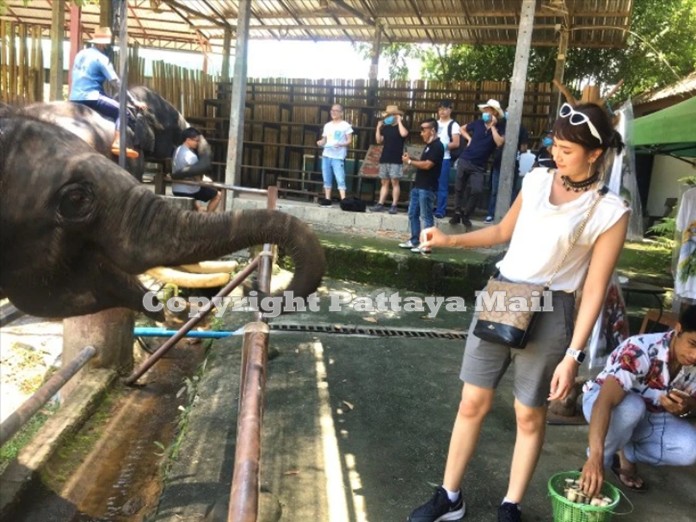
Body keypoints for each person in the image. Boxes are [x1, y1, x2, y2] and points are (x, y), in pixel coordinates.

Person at [407, 103, 630, 522]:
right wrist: (448, 239)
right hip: (504, 293)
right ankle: (450, 496)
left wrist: (573, 355)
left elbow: (595, 289)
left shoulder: (608, 211)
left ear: (595, 153)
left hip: (552, 308)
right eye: (555, 144)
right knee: (472, 400)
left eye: (566, 148)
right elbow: (501, 233)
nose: (556, 153)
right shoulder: (537, 179)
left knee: (528, 413)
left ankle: (511, 504)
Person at [579, 305, 696, 497]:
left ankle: (627, 454)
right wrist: (595, 459)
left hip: (653, 416)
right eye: (693, 344)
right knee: (632, 406)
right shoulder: (640, 350)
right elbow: (605, 402)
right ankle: (600, 463)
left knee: (690, 448)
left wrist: (686, 408)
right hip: (603, 402)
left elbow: (693, 409)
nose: (695, 356)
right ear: (678, 329)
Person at [69, 26, 145, 159]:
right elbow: (116, 82)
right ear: (104, 44)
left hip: (74, 96)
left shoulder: (81, 54)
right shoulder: (102, 59)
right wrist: (133, 101)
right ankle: (117, 142)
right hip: (91, 97)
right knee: (123, 112)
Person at [450, 99, 505, 231]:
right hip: (465, 158)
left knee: (477, 190)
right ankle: (457, 213)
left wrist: (492, 127)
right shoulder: (478, 123)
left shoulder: (500, 127)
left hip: (479, 165)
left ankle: (466, 214)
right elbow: (461, 129)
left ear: (495, 113)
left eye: (488, 110)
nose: (485, 113)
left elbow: (499, 142)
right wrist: (469, 139)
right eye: (485, 110)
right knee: (459, 188)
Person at [398, 118, 444, 255]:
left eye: (424, 130)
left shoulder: (437, 146)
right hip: (418, 186)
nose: (421, 133)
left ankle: (427, 244)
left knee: (426, 216)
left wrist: (410, 161)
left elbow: (428, 165)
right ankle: (414, 240)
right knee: (413, 214)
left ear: (433, 130)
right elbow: (423, 162)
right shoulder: (429, 146)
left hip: (427, 187)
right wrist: (411, 159)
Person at [485, 112, 528, 223]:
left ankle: (509, 217)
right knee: (494, 189)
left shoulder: (522, 128)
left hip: (513, 162)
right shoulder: (501, 125)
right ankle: (491, 214)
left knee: (511, 191)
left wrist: (515, 145)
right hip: (498, 162)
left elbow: (524, 148)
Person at [171, 127, 221, 213]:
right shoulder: (191, 156)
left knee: (198, 206)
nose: (197, 143)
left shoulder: (177, 150)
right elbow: (197, 177)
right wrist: (207, 182)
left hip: (175, 188)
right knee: (217, 195)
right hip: (187, 190)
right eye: (195, 140)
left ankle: (199, 211)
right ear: (188, 140)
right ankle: (207, 217)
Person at [371, 105, 409, 214]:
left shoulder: (401, 127)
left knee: (395, 182)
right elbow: (379, 140)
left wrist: (399, 121)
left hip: (396, 158)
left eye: (392, 115)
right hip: (385, 157)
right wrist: (378, 128)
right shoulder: (386, 128)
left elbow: (404, 134)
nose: (389, 117)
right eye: (388, 115)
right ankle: (380, 203)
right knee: (384, 182)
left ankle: (394, 205)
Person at [316, 103, 353, 206]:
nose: (333, 112)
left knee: (340, 177)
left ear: (341, 113)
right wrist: (321, 142)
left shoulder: (345, 125)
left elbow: (349, 140)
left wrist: (341, 144)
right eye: (332, 110)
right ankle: (327, 198)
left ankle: (344, 199)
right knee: (326, 176)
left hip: (338, 155)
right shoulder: (327, 125)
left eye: (336, 110)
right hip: (327, 154)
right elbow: (325, 139)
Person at [435, 100, 461, 218]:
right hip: (433, 158)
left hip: (445, 158)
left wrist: (442, 147)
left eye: (445, 109)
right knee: (431, 184)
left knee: (442, 185)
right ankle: (429, 207)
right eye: (440, 109)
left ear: (450, 110)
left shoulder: (454, 125)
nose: (442, 111)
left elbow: (456, 143)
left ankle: (440, 210)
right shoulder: (434, 124)